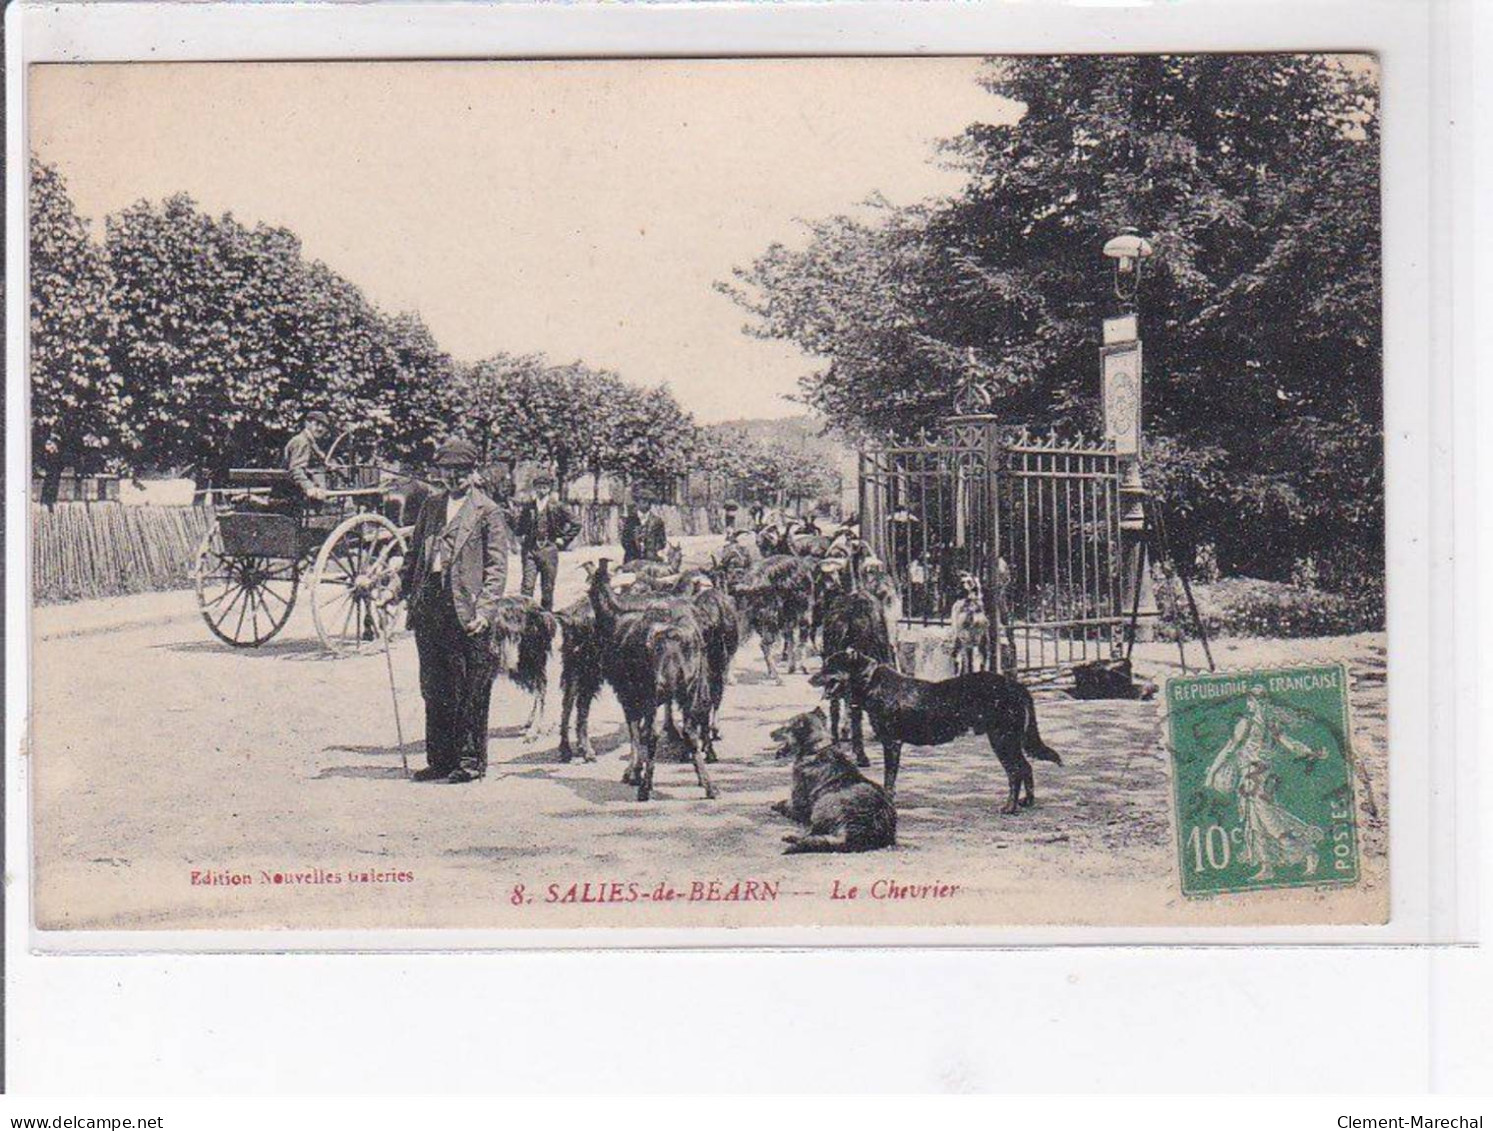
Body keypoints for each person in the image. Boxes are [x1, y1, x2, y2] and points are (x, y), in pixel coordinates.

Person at [399, 437, 512, 784]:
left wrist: (486, 608)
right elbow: (414, 554)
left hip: (467, 609)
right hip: (430, 605)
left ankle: (470, 761)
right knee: (434, 685)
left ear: (473, 472)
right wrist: (400, 589)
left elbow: (497, 566)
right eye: (447, 471)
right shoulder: (431, 507)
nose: (453, 478)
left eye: (460, 472)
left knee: (470, 687)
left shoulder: (487, 511)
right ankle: (440, 759)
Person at [513, 471, 580, 611]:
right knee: (527, 585)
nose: (541, 489)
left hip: (549, 549)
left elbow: (576, 523)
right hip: (530, 549)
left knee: (547, 588)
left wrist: (564, 539)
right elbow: (520, 526)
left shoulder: (557, 506)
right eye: (539, 486)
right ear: (535, 488)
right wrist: (520, 538)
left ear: (549, 488)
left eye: (545, 486)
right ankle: (525, 618)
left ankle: (546, 620)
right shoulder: (529, 507)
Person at [280, 410, 329, 505]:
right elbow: (296, 469)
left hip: (303, 495)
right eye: (317, 424)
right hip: (295, 497)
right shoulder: (302, 441)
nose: (320, 429)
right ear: (307, 423)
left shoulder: (311, 442)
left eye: (324, 426)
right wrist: (309, 488)